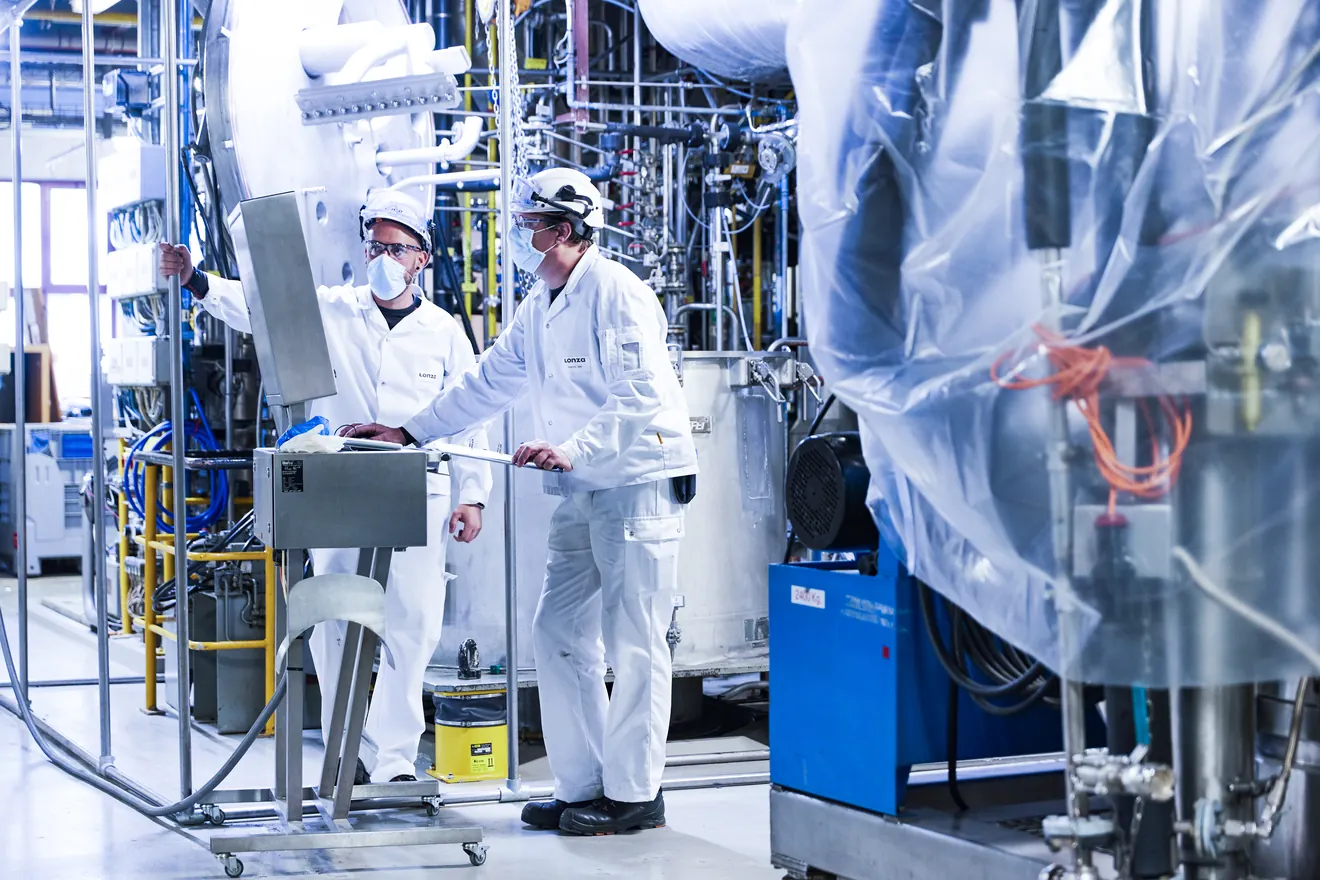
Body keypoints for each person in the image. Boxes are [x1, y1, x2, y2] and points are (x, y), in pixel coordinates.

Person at [345, 168, 698, 834]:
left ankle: (633, 795)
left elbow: (641, 396)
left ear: (563, 230)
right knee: (557, 630)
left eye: (529, 225)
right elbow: (484, 383)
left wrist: (574, 447)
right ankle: (582, 784)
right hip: (585, 488)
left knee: (636, 642)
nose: (518, 235)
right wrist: (410, 431)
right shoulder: (541, 303)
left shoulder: (617, 294)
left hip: (637, 483)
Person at [158, 189, 492, 784]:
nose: (381, 257)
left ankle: (392, 760)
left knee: (412, 627)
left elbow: (472, 413)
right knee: (336, 620)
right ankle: (349, 749)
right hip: (339, 485)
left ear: (421, 256)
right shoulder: (334, 309)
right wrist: (197, 281)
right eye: (373, 245)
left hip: (421, 489)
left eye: (395, 248)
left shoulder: (443, 332)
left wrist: (473, 494)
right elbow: (263, 309)